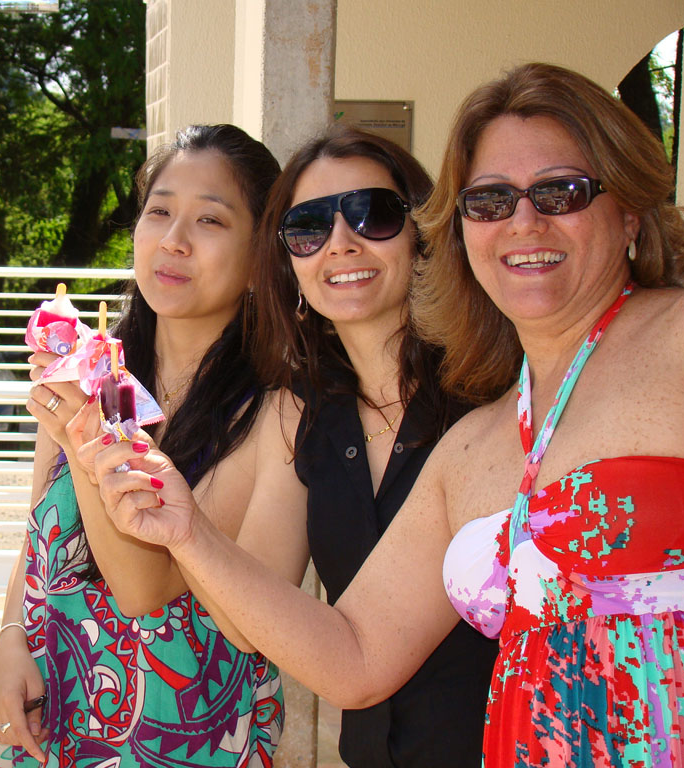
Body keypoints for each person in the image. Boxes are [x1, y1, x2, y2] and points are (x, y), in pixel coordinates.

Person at [89, 62, 684, 768]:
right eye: (490, 200)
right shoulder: (479, 441)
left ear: (629, 211)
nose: (523, 222)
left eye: (559, 192)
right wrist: (188, 531)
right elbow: (356, 656)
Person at [0, 124, 308, 768]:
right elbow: (39, 533)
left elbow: (145, 592)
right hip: (48, 711)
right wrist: (9, 638)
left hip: (181, 738)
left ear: (261, 257)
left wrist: (84, 435)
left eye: (210, 220)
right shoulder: (90, 371)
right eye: (159, 212)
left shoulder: (277, 412)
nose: (173, 240)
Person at [247, 125, 497, 767]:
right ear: (288, 262)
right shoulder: (305, 415)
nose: (340, 242)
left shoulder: (496, 395)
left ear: (423, 236)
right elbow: (249, 617)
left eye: (373, 214)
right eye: (308, 227)